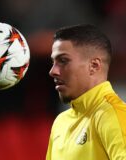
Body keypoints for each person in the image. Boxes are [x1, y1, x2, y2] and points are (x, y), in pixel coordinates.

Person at [46, 24, 126, 160]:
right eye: (53, 62)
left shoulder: (113, 115)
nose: (53, 71)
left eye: (63, 61)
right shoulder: (60, 122)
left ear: (94, 66)